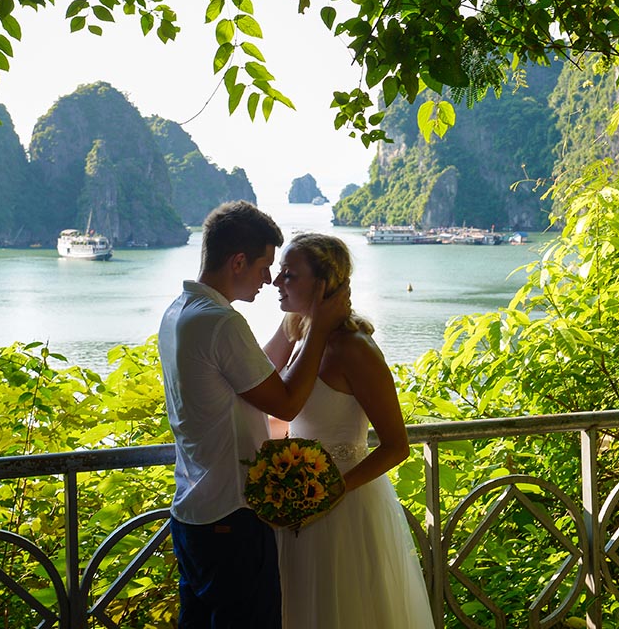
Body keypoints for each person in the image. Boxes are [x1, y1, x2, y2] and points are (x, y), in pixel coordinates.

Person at [158, 202, 351, 628]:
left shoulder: (179, 312)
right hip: (231, 515)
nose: (270, 279)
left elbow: (255, 372)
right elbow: (284, 403)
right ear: (239, 261)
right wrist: (318, 325)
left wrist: (297, 323)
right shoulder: (221, 322)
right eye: (265, 266)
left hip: (192, 511)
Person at [264, 232, 434, 629]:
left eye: (289, 275)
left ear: (322, 284)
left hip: (345, 504)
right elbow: (258, 374)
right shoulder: (297, 329)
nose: (276, 282)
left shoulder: (355, 349)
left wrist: (329, 492)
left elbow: (397, 446)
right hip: (296, 497)